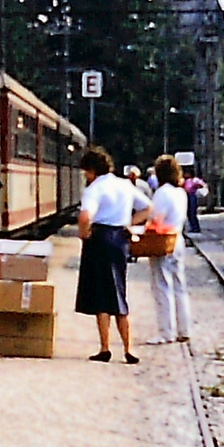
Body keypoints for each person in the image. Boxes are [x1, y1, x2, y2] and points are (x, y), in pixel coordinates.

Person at [76, 147, 149, 364]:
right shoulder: (124, 185)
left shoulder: (95, 188)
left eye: (86, 173)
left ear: (91, 170)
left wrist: (84, 234)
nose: (86, 177)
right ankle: (128, 348)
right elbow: (147, 208)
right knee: (118, 290)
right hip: (120, 240)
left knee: (101, 296)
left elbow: (85, 216)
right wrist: (129, 223)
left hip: (100, 238)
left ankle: (105, 348)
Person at [144, 155, 194, 344]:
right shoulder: (180, 192)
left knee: (162, 286)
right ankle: (184, 329)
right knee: (179, 286)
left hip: (162, 241)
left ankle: (166, 331)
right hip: (178, 239)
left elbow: (157, 219)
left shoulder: (162, 193)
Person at [183, 168, 206, 234]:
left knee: (192, 212)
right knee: (189, 213)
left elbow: (203, 184)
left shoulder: (195, 180)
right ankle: (192, 226)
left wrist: (198, 187)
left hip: (192, 195)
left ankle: (196, 227)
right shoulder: (186, 180)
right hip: (187, 195)